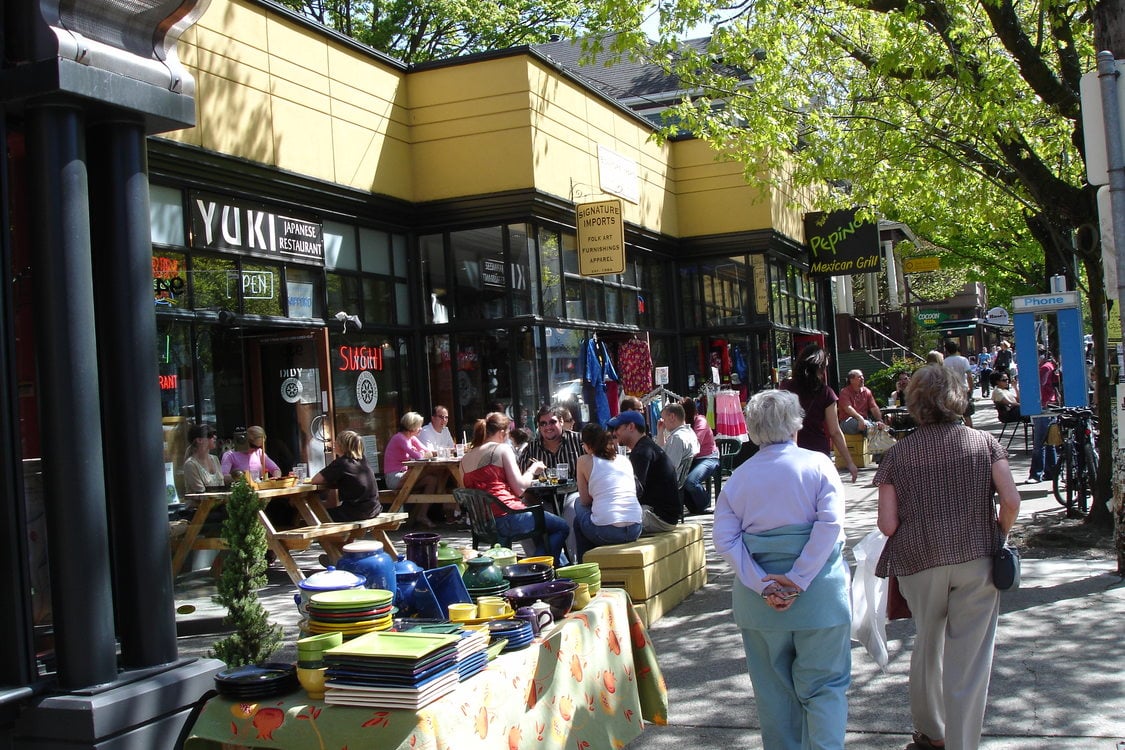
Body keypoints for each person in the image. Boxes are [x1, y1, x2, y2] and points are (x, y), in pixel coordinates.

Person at [874, 365, 1021, 750]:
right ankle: (962, 743)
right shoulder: (984, 443)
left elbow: (887, 525)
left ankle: (930, 732)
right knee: (969, 660)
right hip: (977, 557)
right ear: (958, 398)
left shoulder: (898, 455)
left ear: (915, 402)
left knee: (928, 642)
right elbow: (1011, 500)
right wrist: (999, 533)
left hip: (919, 560)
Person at [712, 389, 851, 750]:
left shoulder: (738, 478)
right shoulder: (818, 464)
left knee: (773, 697)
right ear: (796, 424)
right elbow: (830, 524)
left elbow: (725, 540)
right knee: (825, 688)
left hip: (759, 605)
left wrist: (763, 585)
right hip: (820, 596)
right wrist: (799, 578)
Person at [461, 412, 570, 565]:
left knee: (543, 529)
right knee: (561, 527)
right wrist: (533, 469)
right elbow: (519, 489)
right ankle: (535, 568)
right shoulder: (501, 449)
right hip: (508, 517)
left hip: (483, 522)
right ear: (502, 433)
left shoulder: (465, 459)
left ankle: (559, 567)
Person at [779, 344, 858, 482]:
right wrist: (849, 462)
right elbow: (834, 431)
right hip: (817, 451)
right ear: (819, 368)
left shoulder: (785, 386)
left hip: (789, 451)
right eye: (824, 367)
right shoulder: (827, 393)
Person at [521, 405, 584, 560]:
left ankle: (573, 562)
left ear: (561, 421)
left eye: (552, 422)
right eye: (543, 423)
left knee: (571, 510)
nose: (548, 427)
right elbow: (521, 480)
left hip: (574, 493)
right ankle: (538, 565)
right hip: (543, 499)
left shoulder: (578, 441)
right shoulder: (531, 449)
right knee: (524, 515)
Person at [573, 423, 643, 561]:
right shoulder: (624, 460)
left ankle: (584, 565)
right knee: (584, 519)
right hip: (635, 527)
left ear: (587, 445)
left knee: (577, 506)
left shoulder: (583, 461)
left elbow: (585, 500)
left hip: (607, 532)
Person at [608, 410, 680, 532]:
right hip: (663, 516)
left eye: (617, 428)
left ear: (631, 427)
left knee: (599, 523)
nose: (614, 433)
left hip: (658, 518)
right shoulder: (646, 446)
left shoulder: (642, 452)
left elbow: (635, 491)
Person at [309, 430, 382, 523]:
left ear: (341, 445)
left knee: (316, 516)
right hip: (374, 509)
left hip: (357, 512)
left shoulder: (341, 463)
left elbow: (315, 480)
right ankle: (345, 538)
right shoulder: (362, 460)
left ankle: (331, 538)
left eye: (336, 442)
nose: (334, 444)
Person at [384, 411, 439, 528]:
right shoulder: (400, 438)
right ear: (412, 427)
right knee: (427, 470)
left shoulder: (411, 438)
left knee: (432, 480)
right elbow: (419, 456)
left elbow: (428, 451)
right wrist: (423, 453)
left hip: (405, 475)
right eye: (418, 426)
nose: (420, 429)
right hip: (394, 477)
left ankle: (422, 515)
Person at [681, 397, 719, 515]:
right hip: (691, 459)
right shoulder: (683, 424)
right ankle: (693, 507)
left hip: (708, 457)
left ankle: (705, 502)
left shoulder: (700, 421)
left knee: (691, 482)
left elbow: (696, 444)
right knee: (677, 480)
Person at [656, 402, 699, 493]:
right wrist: (660, 432)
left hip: (670, 482)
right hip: (676, 479)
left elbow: (669, 467)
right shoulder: (689, 432)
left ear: (672, 417)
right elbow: (662, 452)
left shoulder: (677, 438)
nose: (663, 422)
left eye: (664, 419)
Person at [836, 369, 885, 435]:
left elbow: (874, 407)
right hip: (847, 421)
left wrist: (879, 420)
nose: (862, 378)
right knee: (861, 424)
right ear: (851, 380)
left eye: (862, 376)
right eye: (859, 377)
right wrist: (859, 418)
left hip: (864, 421)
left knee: (877, 426)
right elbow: (848, 408)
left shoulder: (867, 391)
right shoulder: (844, 392)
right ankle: (873, 428)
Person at [183, 422, 224, 496]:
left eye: (214, 434)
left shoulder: (215, 459)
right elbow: (201, 495)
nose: (215, 437)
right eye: (210, 435)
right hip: (201, 507)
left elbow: (222, 487)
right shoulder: (190, 464)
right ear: (199, 440)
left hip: (219, 505)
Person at [943, 340, 975, 428]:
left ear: (947, 350)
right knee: (967, 414)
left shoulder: (945, 362)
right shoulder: (963, 360)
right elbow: (969, 375)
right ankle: (971, 432)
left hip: (951, 390)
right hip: (963, 389)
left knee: (954, 414)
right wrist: (971, 388)